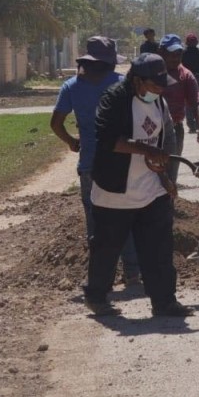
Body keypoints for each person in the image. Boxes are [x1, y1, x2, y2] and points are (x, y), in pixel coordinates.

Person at [83, 53, 194, 317]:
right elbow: (109, 141)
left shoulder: (158, 102)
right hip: (115, 191)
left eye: (162, 86)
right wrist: (145, 151)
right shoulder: (114, 100)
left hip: (150, 189)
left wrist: (165, 176)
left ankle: (164, 301)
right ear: (137, 81)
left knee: (159, 249)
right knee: (107, 249)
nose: (159, 90)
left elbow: (165, 136)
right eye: (155, 85)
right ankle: (97, 297)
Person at [50, 37, 140, 285]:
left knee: (96, 223)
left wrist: (71, 141)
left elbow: (55, 124)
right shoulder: (123, 85)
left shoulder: (71, 86)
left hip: (90, 164)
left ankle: (101, 277)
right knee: (125, 218)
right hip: (123, 164)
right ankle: (132, 272)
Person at [158, 34, 199, 182]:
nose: (175, 58)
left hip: (173, 131)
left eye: (178, 54)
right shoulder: (149, 71)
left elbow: (197, 102)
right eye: (171, 54)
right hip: (148, 131)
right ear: (161, 52)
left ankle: (168, 203)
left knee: (170, 174)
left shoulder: (185, 75)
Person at [181, 32, 199, 111]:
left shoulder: (183, 53)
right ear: (196, 42)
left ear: (186, 42)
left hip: (187, 79)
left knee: (188, 97)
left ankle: (190, 120)